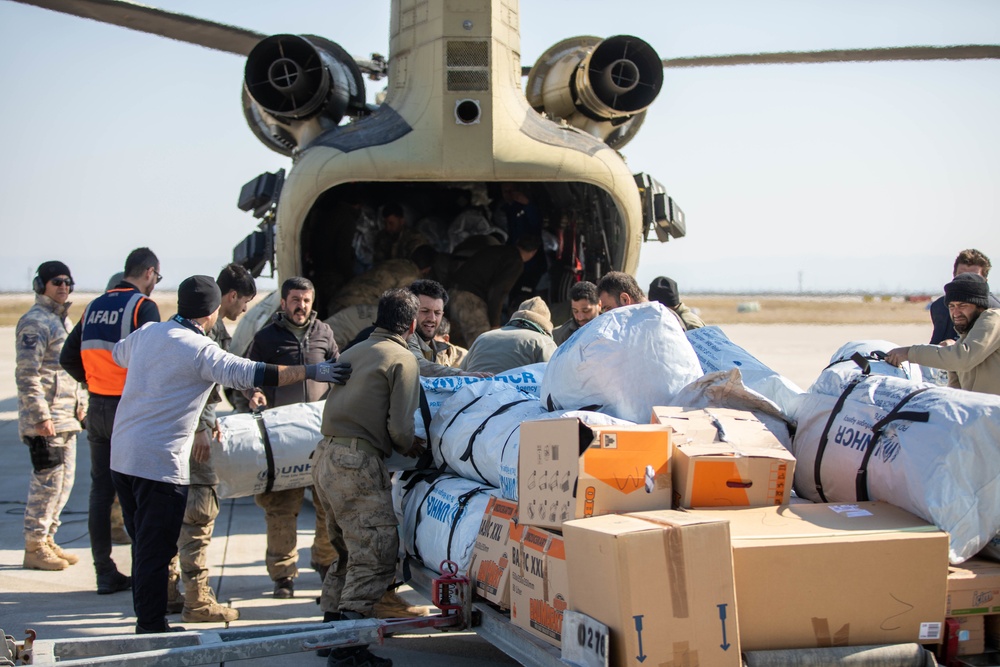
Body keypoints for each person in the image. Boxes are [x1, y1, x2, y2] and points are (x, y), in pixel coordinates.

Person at [110, 275, 351, 634]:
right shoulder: (199, 348)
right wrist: (314, 371)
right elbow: (251, 372)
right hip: (160, 465)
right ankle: (150, 627)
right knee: (156, 551)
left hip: (123, 458)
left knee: (143, 546)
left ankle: (150, 619)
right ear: (210, 312)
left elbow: (117, 354)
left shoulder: (147, 334)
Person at [313, 288, 425, 667]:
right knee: (376, 552)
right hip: (356, 462)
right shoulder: (401, 358)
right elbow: (400, 428)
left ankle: (332, 631)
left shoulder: (354, 351)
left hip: (326, 456)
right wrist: (412, 446)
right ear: (411, 325)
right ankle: (349, 650)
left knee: (347, 549)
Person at [60, 247, 162, 595]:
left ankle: (104, 571)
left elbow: (67, 356)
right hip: (128, 411)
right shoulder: (141, 307)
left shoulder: (93, 307)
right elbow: (154, 361)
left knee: (101, 493)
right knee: (138, 494)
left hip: (98, 409)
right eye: (157, 278)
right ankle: (143, 576)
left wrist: (92, 383)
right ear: (148, 273)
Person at [166, 264, 257, 623]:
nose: (244, 311)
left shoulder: (177, 324)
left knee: (171, 518)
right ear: (230, 297)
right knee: (199, 513)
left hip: (170, 435)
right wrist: (204, 426)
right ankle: (197, 601)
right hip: (193, 437)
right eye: (244, 302)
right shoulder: (208, 329)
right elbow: (201, 382)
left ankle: (168, 589)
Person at [245, 277, 340, 599]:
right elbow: (245, 375)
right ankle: (283, 575)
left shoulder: (324, 334)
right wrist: (252, 393)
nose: (301, 306)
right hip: (282, 440)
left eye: (307, 300)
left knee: (328, 505)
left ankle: (326, 562)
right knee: (281, 510)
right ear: (283, 303)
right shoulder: (265, 338)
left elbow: (339, 373)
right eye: (295, 300)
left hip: (319, 436)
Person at [17, 261, 87, 571]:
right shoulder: (35, 322)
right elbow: (28, 375)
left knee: (63, 484)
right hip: (46, 421)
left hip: (65, 418)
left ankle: (47, 539)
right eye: (56, 281)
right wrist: (40, 416)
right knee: (46, 485)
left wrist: (80, 402)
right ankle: (34, 545)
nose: (63, 287)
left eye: (67, 282)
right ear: (41, 285)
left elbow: (70, 370)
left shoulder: (62, 322)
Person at [887, 273, 1000, 396]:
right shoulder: (965, 336)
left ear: (980, 306)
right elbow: (956, 393)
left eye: (962, 305)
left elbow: (962, 358)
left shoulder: (994, 318)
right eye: (952, 306)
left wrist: (909, 353)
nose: (956, 312)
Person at [447, 235, 541, 347]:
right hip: (469, 300)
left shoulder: (497, 250)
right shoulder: (515, 260)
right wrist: (495, 323)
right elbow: (498, 292)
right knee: (484, 345)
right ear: (534, 252)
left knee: (460, 344)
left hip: (452, 294)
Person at [461, 297, 557, 374]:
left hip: (472, 395)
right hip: (513, 397)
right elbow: (553, 379)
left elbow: (461, 373)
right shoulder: (544, 342)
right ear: (546, 325)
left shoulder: (483, 337)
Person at [929, 249, 1000, 344]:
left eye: (973, 278)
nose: (966, 282)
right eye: (962, 276)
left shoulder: (995, 310)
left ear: (985, 281)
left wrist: (954, 346)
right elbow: (935, 344)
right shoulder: (940, 307)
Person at [552, 281, 601, 345]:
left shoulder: (612, 328)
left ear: (599, 305)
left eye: (585, 311)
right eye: (575, 311)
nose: (580, 317)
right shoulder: (560, 335)